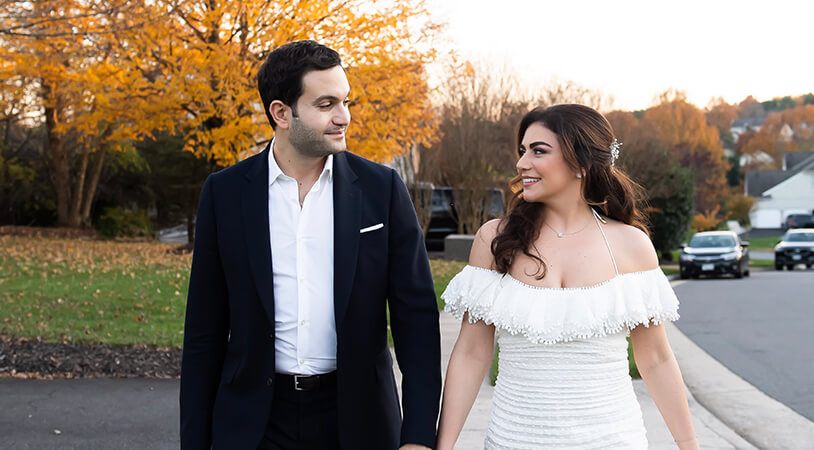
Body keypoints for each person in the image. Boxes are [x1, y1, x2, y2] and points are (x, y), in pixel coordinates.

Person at [180, 40, 441, 450]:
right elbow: (203, 332)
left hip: (358, 420)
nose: (344, 117)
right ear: (281, 113)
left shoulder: (382, 190)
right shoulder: (225, 193)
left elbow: (417, 322)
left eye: (345, 101)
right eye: (326, 104)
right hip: (254, 422)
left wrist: (419, 437)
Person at [436, 104, 699, 449]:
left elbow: (656, 358)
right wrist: (444, 445)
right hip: (514, 440)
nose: (521, 163)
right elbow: (471, 353)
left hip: (613, 440)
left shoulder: (631, 245)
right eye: (522, 151)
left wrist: (689, 445)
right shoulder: (495, 240)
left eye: (538, 151)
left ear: (581, 163)